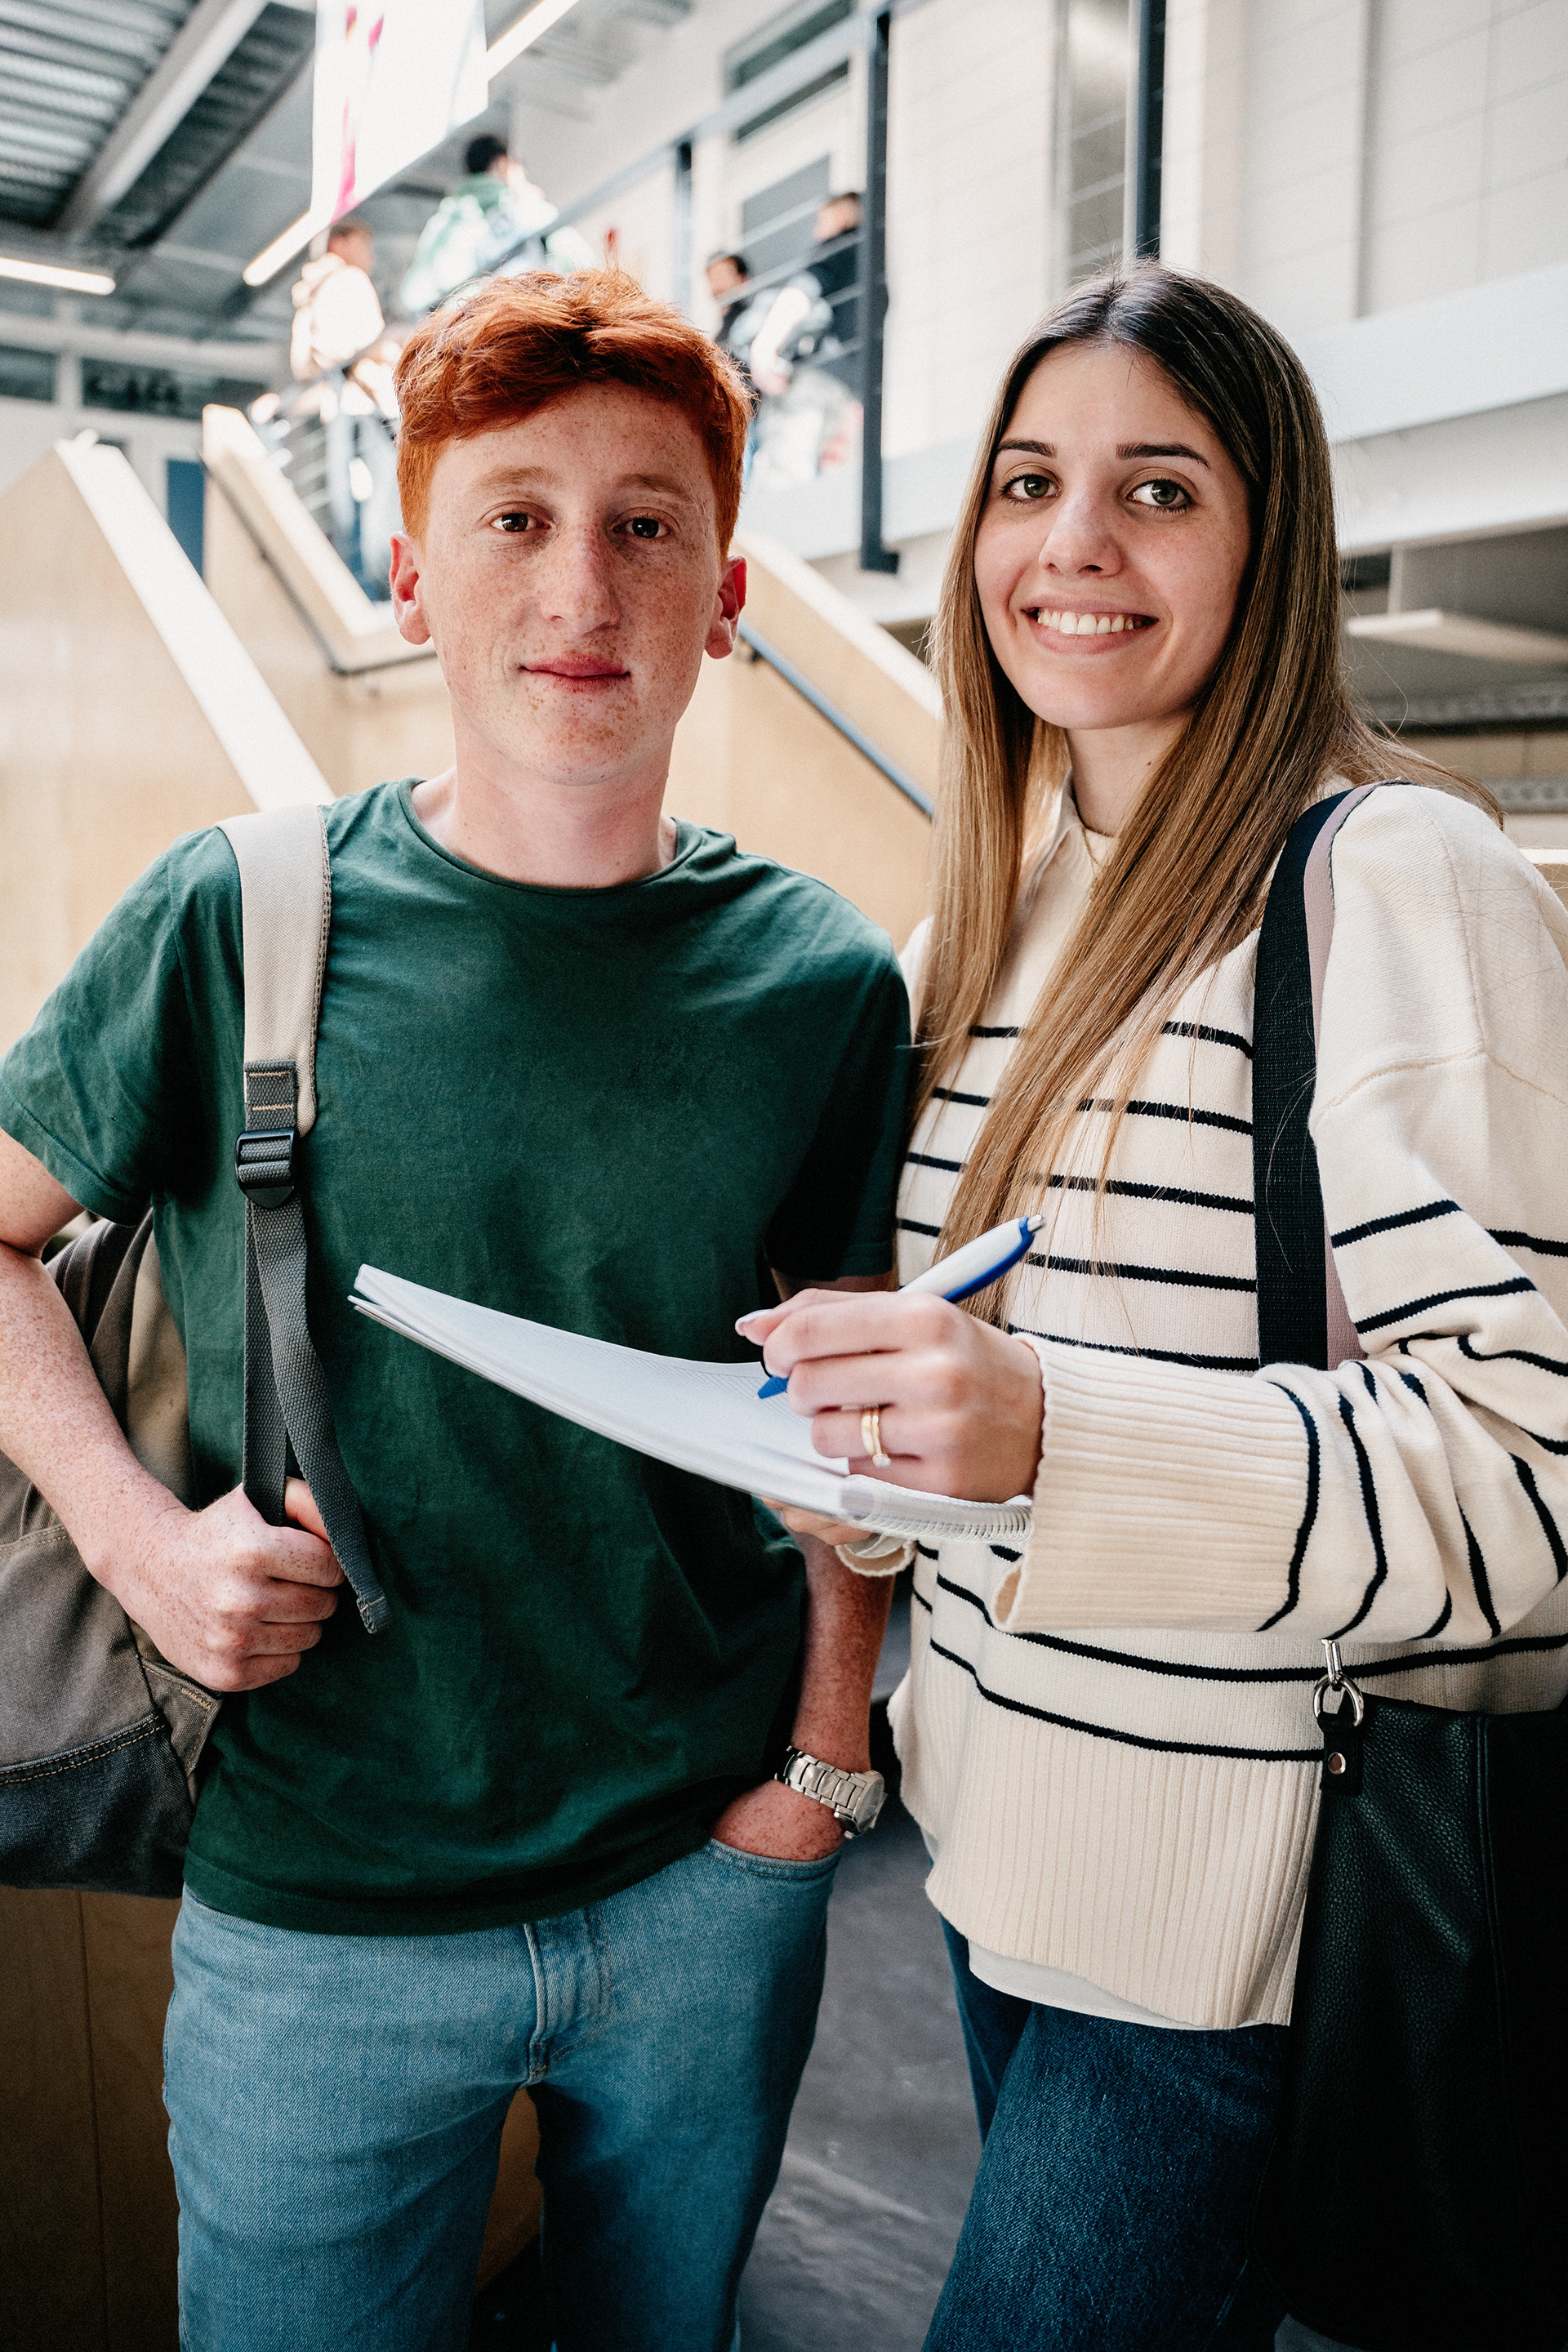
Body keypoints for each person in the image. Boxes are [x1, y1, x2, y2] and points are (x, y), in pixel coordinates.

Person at [0, 270, 910, 2352]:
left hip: (708, 1881)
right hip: (317, 1907)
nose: (578, 580)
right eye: (512, 517)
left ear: (728, 588)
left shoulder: (823, 984)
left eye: (642, 521)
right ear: (413, 576)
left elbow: (851, 1404)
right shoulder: (243, 910)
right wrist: (147, 1552)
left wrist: (816, 1779)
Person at [741, 263, 1568, 2350]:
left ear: (1266, 540)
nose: (1070, 544)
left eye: (1156, 488)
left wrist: (1047, 1427)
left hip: (1231, 1921)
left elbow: (1535, 1483)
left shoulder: (1393, 875)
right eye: (1027, 481)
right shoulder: (987, 916)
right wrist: (857, 1449)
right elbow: (997, 1423)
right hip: (991, 1860)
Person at [288, 215, 401, 594]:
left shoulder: (310, 295)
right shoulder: (350, 281)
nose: (369, 256)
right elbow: (365, 350)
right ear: (340, 242)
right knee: (385, 497)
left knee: (350, 503)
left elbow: (302, 364)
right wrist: (393, 405)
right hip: (368, 406)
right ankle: (386, 587)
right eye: (364, 245)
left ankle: (357, 588)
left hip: (338, 413)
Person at [399, 131, 595, 315]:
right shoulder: (525, 208)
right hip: (523, 323)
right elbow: (582, 264)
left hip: (464, 331)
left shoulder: (442, 222)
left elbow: (413, 296)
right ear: (504, 165)